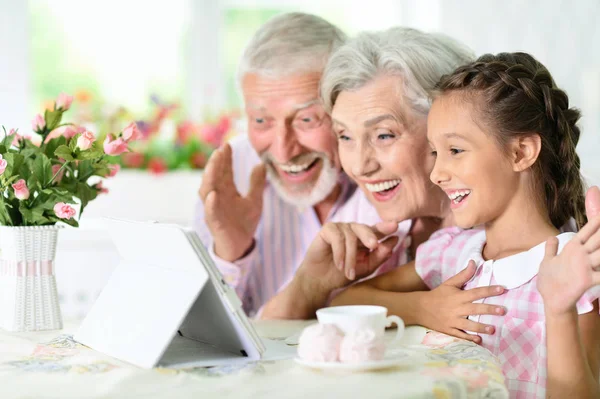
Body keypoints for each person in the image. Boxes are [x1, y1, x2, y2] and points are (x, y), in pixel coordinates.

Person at [333, 52, 600, 397]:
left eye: (455, 150)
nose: (437, 173)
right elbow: (345, 301)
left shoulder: (575, 268)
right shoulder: (452, 252)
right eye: (435, 152)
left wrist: (560, 310)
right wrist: (423, 308)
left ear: (521, 152)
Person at [260, 28, 510, 330]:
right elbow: (263, 348)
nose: (360, 166)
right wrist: (309, 286)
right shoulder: (364, 219)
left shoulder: (504, 229)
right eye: (345, 136)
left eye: (383, 135)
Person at [194, 13, 409, 317]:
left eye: (307, 119)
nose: (283, 151)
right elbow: (199, 333)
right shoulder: (232, 173)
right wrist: (229, 255)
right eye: (261, 120)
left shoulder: (389, 180)